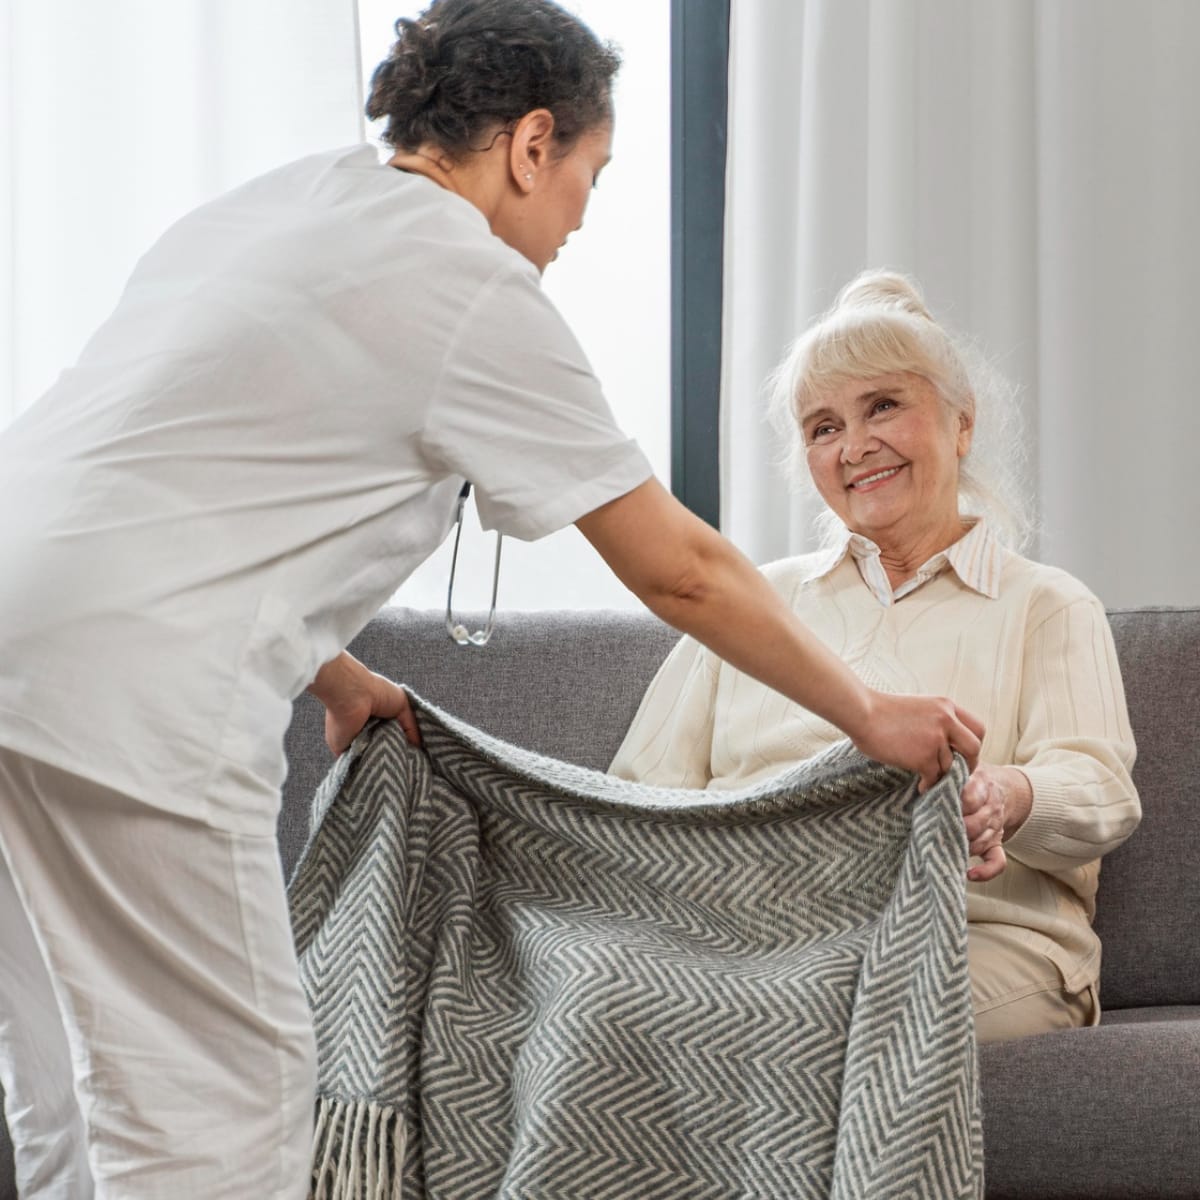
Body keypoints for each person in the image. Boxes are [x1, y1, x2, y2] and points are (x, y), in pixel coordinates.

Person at [0, 5, 984, 1197]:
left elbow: (178, 471)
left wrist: (334, 666)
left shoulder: (281, 206)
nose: (580, 217)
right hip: (129, 693)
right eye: (589, 173)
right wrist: (869, 713)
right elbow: (679, 565)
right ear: (529, 144)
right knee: (224, 1109)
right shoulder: (466, 283)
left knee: (62, 1095)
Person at [610, 269, 1141, 1044]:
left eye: (883, 406)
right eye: (823, 428)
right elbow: (640, 799)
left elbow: (1101, 791)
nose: (855, 446)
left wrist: (1007, 795)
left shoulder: (1047, 605)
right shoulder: (751, 603)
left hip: (974, 937)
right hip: (762, 943)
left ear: (961, 424)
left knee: (821, 1013)